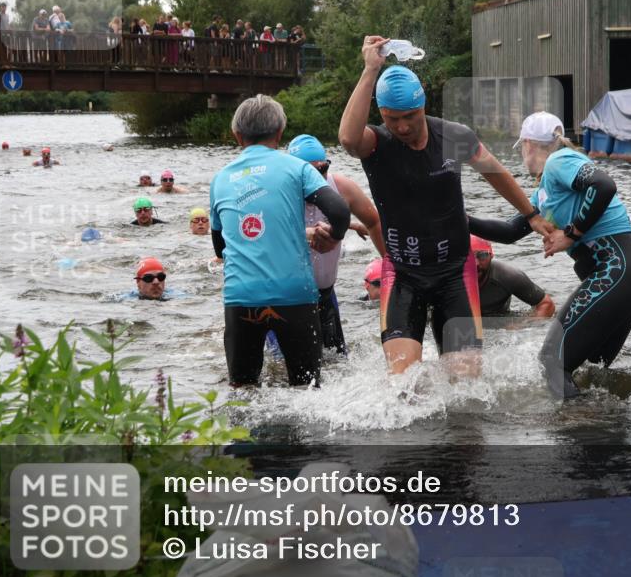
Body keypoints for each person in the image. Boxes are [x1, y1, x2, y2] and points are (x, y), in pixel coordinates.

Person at [338, 35, 554, 376]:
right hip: (403, 274)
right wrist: (370, 71)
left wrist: (532, 214)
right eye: (393, 118)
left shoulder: (454, 136)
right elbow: (348, 139)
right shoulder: (376, 145)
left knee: (465, 385)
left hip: (454, 273)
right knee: (403, 386)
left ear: (424, 105)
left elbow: (495, 173)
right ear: (381, 114)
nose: (403, 126)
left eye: (410, 115)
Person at [469, 112, 631, 399]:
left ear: (528, 144)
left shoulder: (558, 160)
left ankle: (574, 427)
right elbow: (509, 231)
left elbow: (604, 185)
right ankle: (603, 436)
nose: (523, 155)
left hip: (616, 272)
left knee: (551, 363)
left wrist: (571, 233)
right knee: (592, 370)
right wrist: (459, 219)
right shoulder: (546, 193)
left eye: (521, 149)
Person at [210, 94, 350, 388]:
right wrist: (333, 239)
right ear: (279, 132)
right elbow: (338, 209)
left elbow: (220, 246)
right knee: (307, 389)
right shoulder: (297, 168)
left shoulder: (220, 179)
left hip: (241, 297)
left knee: (243, 391)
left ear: (237, 136)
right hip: (295, 295)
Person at [287, 134, 386, 356]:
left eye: (323, 169)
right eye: (309, 172)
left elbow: (374, 221)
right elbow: (267, 234)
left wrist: (393, 266)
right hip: (287, 301)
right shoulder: (280, 193)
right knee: (282, 373)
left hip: (325, 295)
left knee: (337, 362)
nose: (317, 178)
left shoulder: (341, 187)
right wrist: (306, 234)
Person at [471, 235, 555, 318]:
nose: (476, 264)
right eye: (469, 257)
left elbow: (546, 304)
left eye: (482, 255)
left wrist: (523, 325)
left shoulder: (507, 276)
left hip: (498, 320)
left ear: (491, 255)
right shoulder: (457, 277)